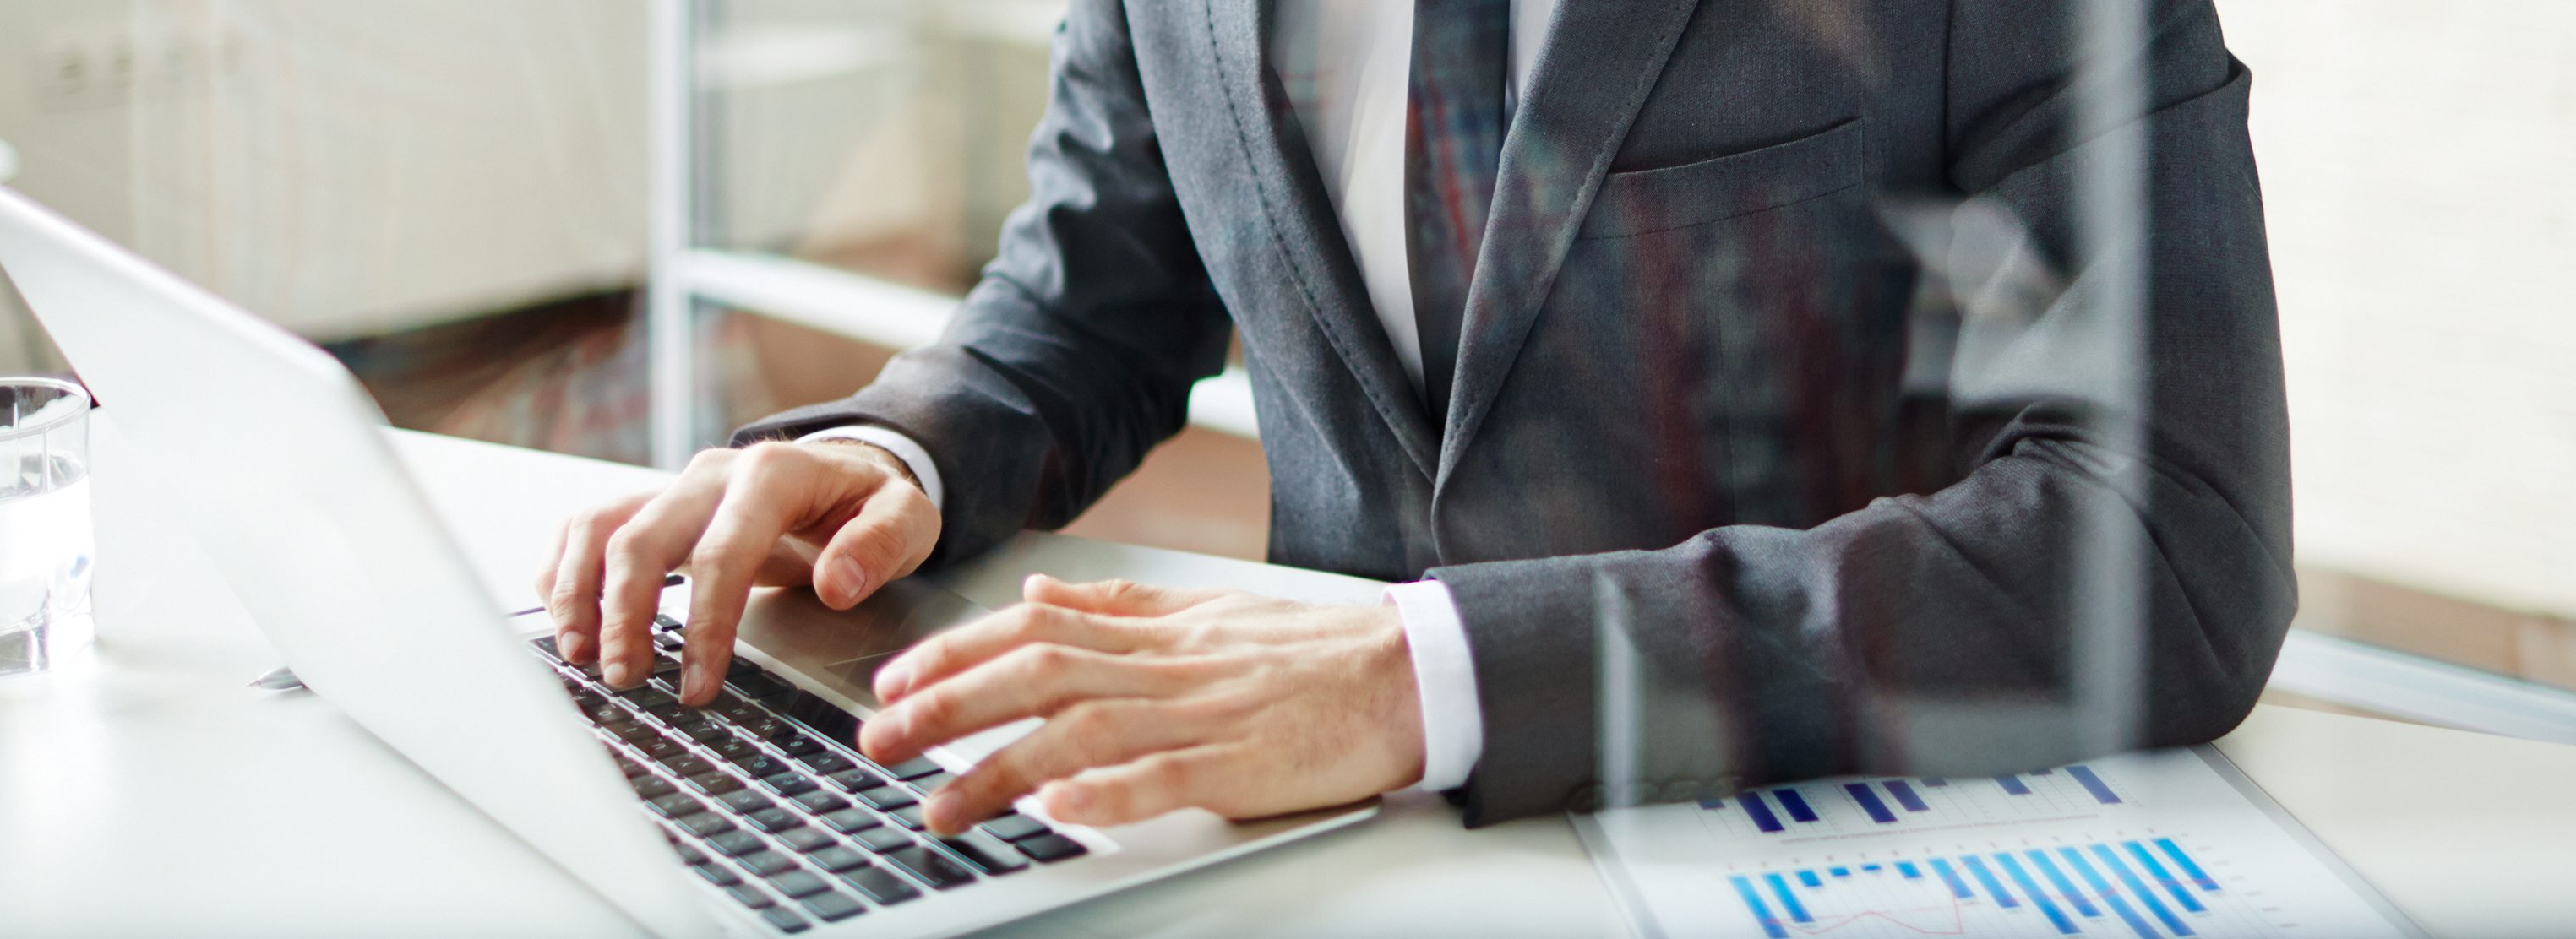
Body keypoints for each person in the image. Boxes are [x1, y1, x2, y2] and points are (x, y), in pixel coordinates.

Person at [538, 0, 2290, 836]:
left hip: (1786, 828)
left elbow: (2170, 536)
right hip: (1307, 856)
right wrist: (892, 452)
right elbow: (1096, 294)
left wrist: (1422, 672)